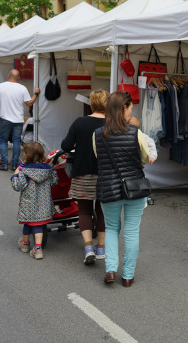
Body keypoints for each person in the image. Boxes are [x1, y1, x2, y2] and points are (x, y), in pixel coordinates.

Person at [93, 91, 152, 286]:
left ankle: (110, 270)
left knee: (110, 228)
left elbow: (98, 158)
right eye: (131, 108)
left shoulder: (97, 135)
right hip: (134, 188)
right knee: (132, 231)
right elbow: (144, 158)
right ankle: (127, 276)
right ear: (124, 108)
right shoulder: (136, 133)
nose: (131, 113)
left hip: (108, 188)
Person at [61, 90, 109, 265]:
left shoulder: (80, 122)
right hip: (106, 175)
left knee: (84, 211)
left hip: (83, 173)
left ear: (91, 104)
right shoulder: (111, 123)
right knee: (103, 211)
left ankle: (88, 247)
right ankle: (102, 248)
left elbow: (66, 145)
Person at [12, 142, 58, 260]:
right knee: (39, 224)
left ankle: (29, 246)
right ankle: (34, 247)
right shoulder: (48, 170)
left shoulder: (25, 172)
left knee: (28, 224)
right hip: (44, 205)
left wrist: (15, 175)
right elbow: (54, 182)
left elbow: (17, 187)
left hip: (28, 204)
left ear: (27, 156)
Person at [0, 69, 40, 171]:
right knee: (16, 141)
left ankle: (4, 164)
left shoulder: (0, 86)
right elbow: (30, 103)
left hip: (5, 119)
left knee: (3, 141)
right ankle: (14, 164)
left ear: (8, 76)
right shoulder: (22, 88)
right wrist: (36, 93)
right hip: (18, 120)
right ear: (19, 78)